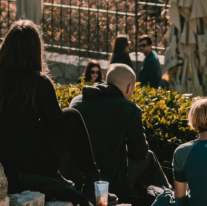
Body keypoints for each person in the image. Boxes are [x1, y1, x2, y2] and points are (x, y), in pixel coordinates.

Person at [0, 20, 99, 203]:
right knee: (71, 116)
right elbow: (55, 122)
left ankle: (60, 176)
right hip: (27, 161)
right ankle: (92, 180)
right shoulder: (37, 82)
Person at [71, 63, 170, 204]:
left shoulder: (77, 101)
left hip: (78, 178)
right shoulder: (128, 109)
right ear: (129, 87)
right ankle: (171, 199)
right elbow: (140, 153)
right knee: (149, 158)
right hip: (109, 181)